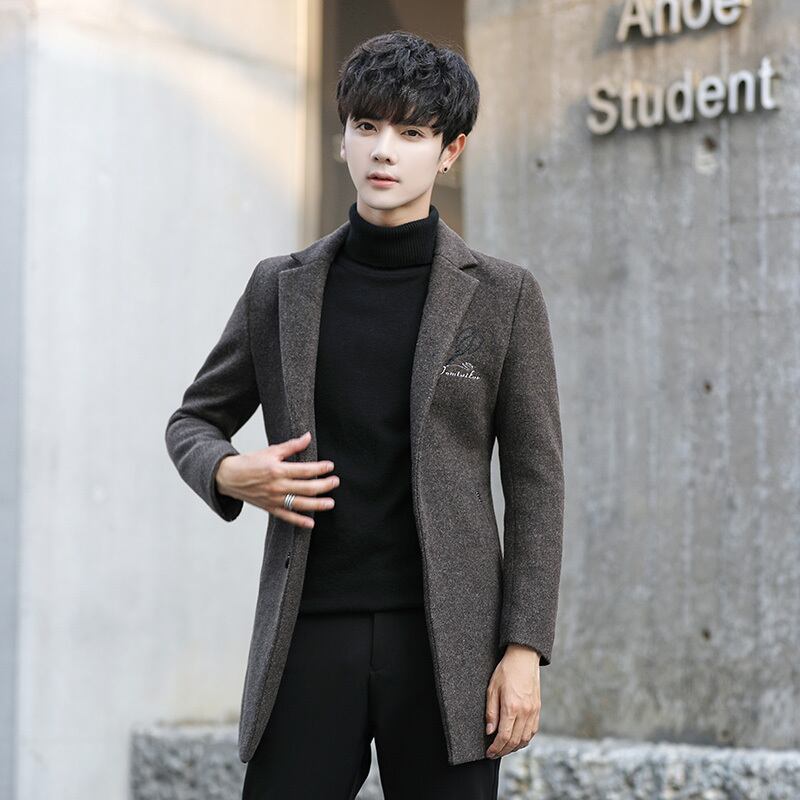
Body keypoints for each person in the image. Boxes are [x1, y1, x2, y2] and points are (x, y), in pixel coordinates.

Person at [165, 30, 564, 800]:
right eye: (368, 126)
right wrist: (228, 471)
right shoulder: (280, 288)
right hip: (308, 630)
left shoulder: (504, 296)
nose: (385, 150)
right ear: (342, 136)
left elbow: (537, 484)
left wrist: (524, 649)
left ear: (449, 151)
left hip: (449, 644)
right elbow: (193, 421)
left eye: (412, 133)